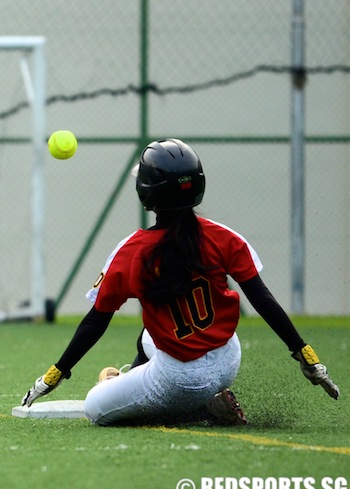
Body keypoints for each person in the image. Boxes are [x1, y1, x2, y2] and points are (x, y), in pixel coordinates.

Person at [21, 138, 339, 426]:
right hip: (228, 358)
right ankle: (148, 382)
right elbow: (263, 300)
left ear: (147, 194)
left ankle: (196, 408)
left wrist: (56, 373)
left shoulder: (131, 251)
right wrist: (305, 355)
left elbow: (97, 320)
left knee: (94, 408)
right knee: (147, 335)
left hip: (181, 379)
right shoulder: (223, 236)